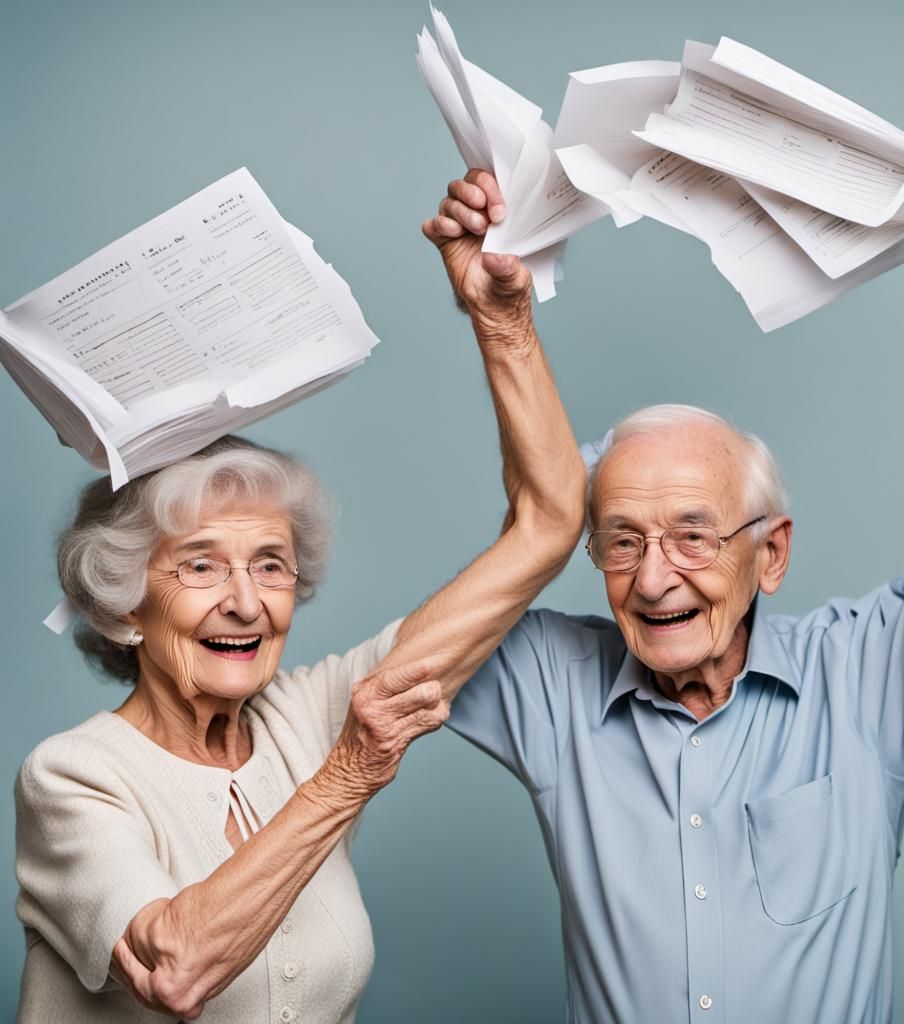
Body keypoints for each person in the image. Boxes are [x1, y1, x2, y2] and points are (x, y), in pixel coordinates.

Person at [438, 143, 904, 1022]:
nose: (653, 579)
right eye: (622, 542)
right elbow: (457, 619)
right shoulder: (554, 685)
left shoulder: (863, 672)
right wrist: (502, 326)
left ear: (771, 555)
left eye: (693, 537)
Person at [12, 185, 585, 1022]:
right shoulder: (73, 777)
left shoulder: (310, 717)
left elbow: (548, 526)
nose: (246, 602)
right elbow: (175, 970)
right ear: (127, 605)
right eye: (202, 567)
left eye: (271, 565)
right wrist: (346, 776)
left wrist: (502, 323)